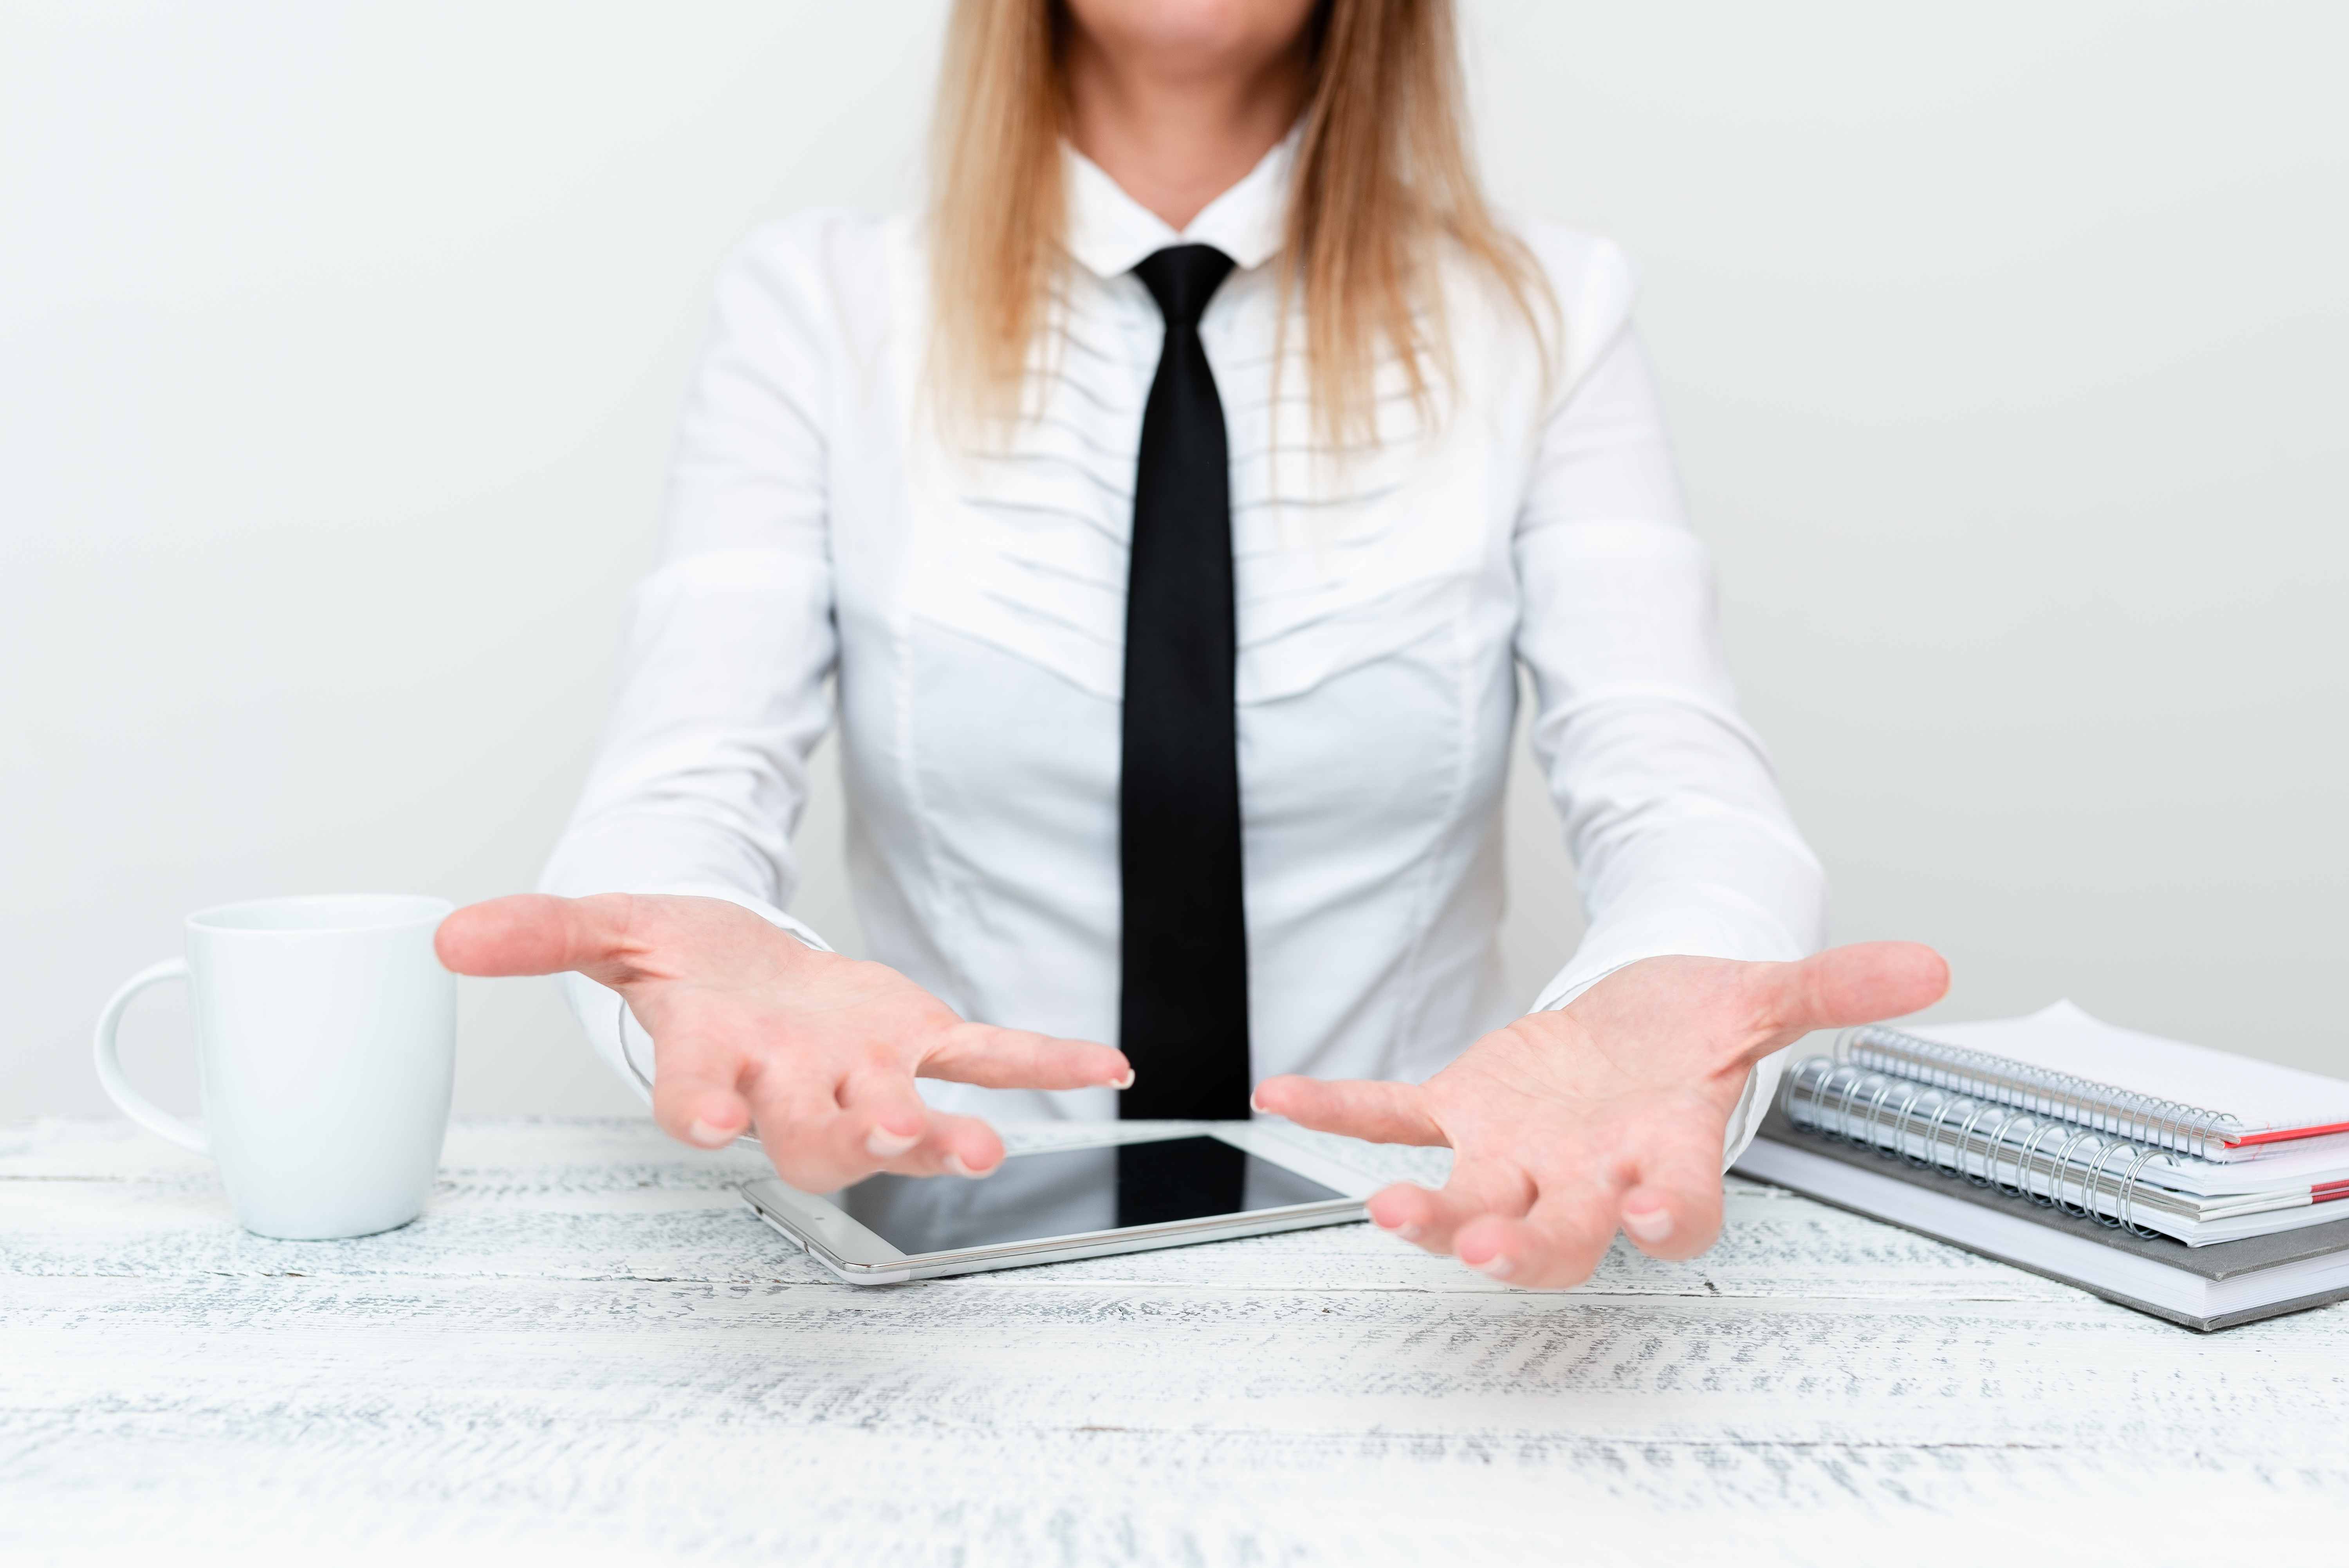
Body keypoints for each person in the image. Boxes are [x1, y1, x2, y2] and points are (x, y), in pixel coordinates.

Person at [435, 0, 1948, 1289]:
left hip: (1406, 1262)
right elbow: (681, 784)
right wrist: (710, 963)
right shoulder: (818, 310)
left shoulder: (1548, 313)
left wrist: (1670, 990)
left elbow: (1678, 781)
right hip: (954, 1264)